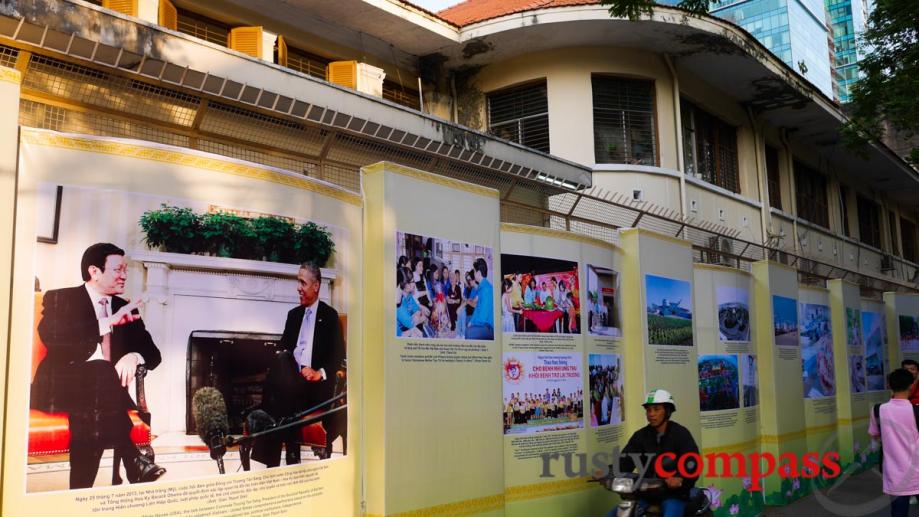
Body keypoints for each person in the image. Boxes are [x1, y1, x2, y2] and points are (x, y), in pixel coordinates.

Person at [31, 242, 165, 489]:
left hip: (101, 398)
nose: (124, 275)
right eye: (118, 269)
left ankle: (78, 496)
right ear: (94, 271)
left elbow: (153, 354)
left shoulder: (123, 306)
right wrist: (107, 323)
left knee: (91, 413)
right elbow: (55, 340)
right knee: (101, 371)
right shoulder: (61, 297)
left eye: (125, 269)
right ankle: (132, 458)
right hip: (58, 387)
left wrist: (133, 356)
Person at [253, 262, 346, 467]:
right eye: (298, 282)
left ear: (316, 286)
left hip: (313, 388)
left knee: (278, 387)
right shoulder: (293, 315)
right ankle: (291, 455)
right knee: (282, 358)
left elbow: (339, 356)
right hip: (291, 382)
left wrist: (318, 373)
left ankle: (271, 460)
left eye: (302, 283)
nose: (298, 288)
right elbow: (283, 350)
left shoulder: (329, 316)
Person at [607, 389, 700, 517]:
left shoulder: (680, 434)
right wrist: (608, 472)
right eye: (648, 410)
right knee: (614, 515)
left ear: (667, 411)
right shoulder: (640, 436)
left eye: (656, 409)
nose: (651, 414)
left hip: (674, 495)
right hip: (646, 495)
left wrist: (680, 477)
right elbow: (625, 461)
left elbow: (692, 462)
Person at [868, 368, 919, 517]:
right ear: (911, 385)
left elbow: (875, 436)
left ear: (888, 385)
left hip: (895, 475)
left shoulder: (877, 410)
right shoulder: (917, 411)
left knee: (898, 512)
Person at [465, 258, 494, 340]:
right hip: (483, 322)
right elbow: (477, 309)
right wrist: (471, 321)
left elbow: (482, 317)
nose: (473, 274)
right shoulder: (482, 287)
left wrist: (473, 322)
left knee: (468, 332)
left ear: (478, 273)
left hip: (488, 326)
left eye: (474, 271)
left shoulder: (486, 289)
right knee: (468, 321)